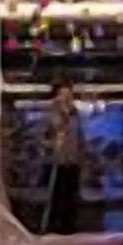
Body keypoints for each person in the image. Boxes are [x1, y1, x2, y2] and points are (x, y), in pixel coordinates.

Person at [45, 84, 85, 235]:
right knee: (58, 192)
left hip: (73, 159)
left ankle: (70, 222)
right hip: (58, 160)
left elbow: (79, 135)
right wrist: (63, 113)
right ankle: (55, 223)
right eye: (63, 94)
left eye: (69, 95)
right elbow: (53, 130)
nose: (67, 98)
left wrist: (81, 155)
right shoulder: (54, 112)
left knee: (71, 192)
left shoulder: (76, 113)